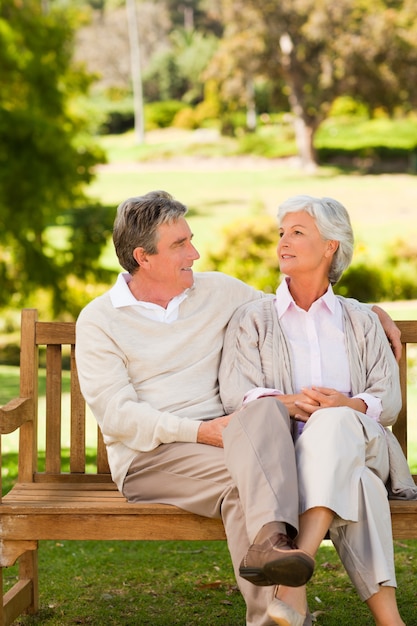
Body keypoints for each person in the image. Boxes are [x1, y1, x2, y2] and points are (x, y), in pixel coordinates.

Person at [75, 190, 401, 626]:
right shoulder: (100, 320)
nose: (195, 252)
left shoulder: (218, 291)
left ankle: (278, 600)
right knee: (262, 477)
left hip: (230, 442)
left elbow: (295, 302)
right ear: (142, 257)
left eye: (191, 239)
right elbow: (118, 416)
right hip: (151, 456)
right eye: (180, 245)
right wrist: (200, 432)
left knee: (264, 429)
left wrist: (373, 314)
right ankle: (281, 602)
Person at [219, 194, 407, 626]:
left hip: (364, 446)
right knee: (359, 484)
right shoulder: (253, 319)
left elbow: (389, 401)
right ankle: (390, 621)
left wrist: (350, 405)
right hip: (289, 460)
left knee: (336, 421)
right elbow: (238, 395)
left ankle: (293, 578)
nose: (284, 241)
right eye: (281, 233)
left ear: (330, 246)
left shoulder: (360, 320)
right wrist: (290, 404)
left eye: (298, 232)